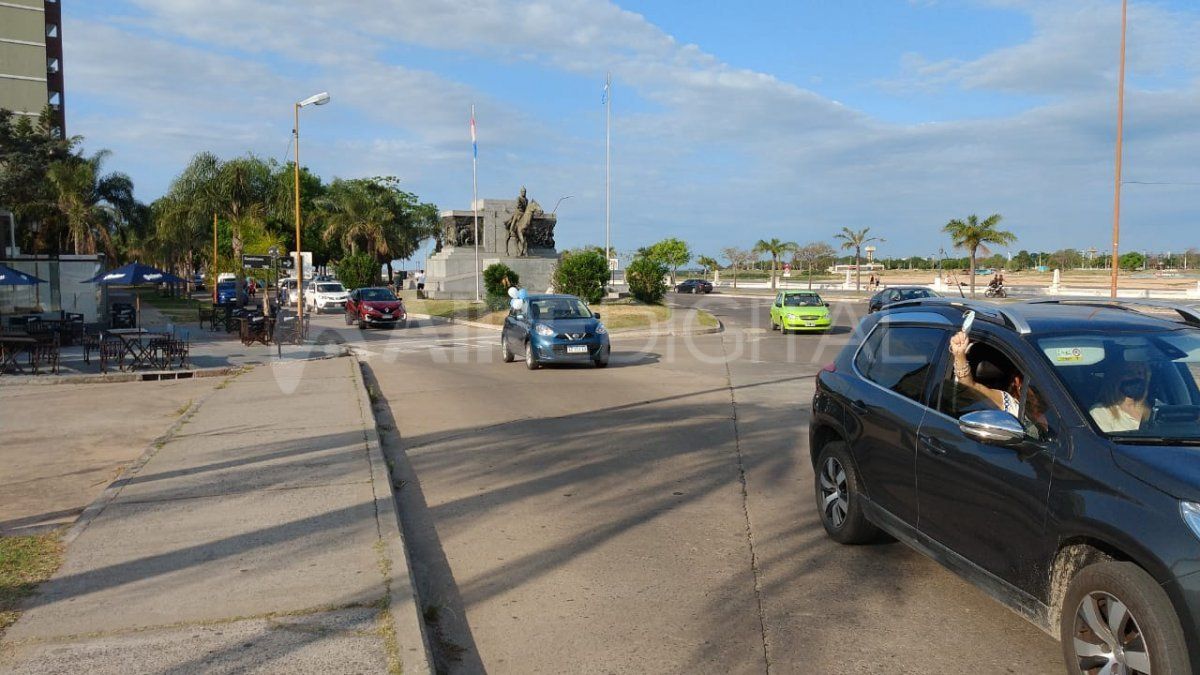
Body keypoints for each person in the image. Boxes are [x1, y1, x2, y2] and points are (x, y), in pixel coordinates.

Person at [949, 330, 1022, 416]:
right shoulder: (1012, 406)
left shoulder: (1041, 400)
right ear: (1018, 382)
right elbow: (970, 388)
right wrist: (960, 355)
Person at [1090, 362, 1152, 432]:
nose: (1136, 377)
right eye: (1130, 373)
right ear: (1115, 378)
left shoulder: (1154, 409)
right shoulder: (1100, 412)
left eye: (1140, 373)